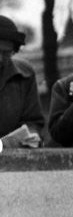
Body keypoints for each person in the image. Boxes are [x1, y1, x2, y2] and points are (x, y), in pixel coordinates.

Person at [0, 15, 43, 150]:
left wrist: (33, 135)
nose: (0, 59)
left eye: (6, 53)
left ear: (14, 51)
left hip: (16, 160)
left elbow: (33, 121)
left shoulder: (25, 74)